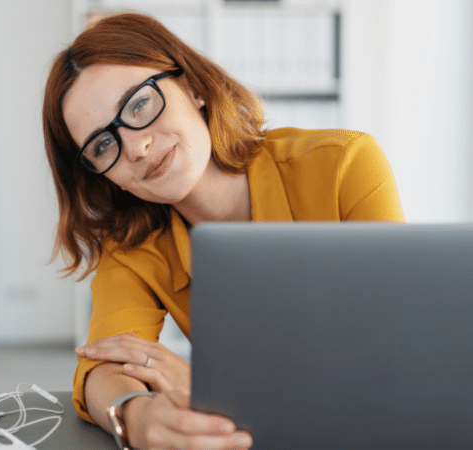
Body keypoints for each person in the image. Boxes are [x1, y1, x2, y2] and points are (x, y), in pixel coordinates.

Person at [41, 12, 404, 450]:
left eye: (139, 104)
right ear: (103, 176)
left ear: (192, 86)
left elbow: (391, 358)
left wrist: (211, 387)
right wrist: (135, 414)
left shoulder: (343, 165)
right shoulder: (133, 247)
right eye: (103, 145)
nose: (136, 148)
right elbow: (100, 369)